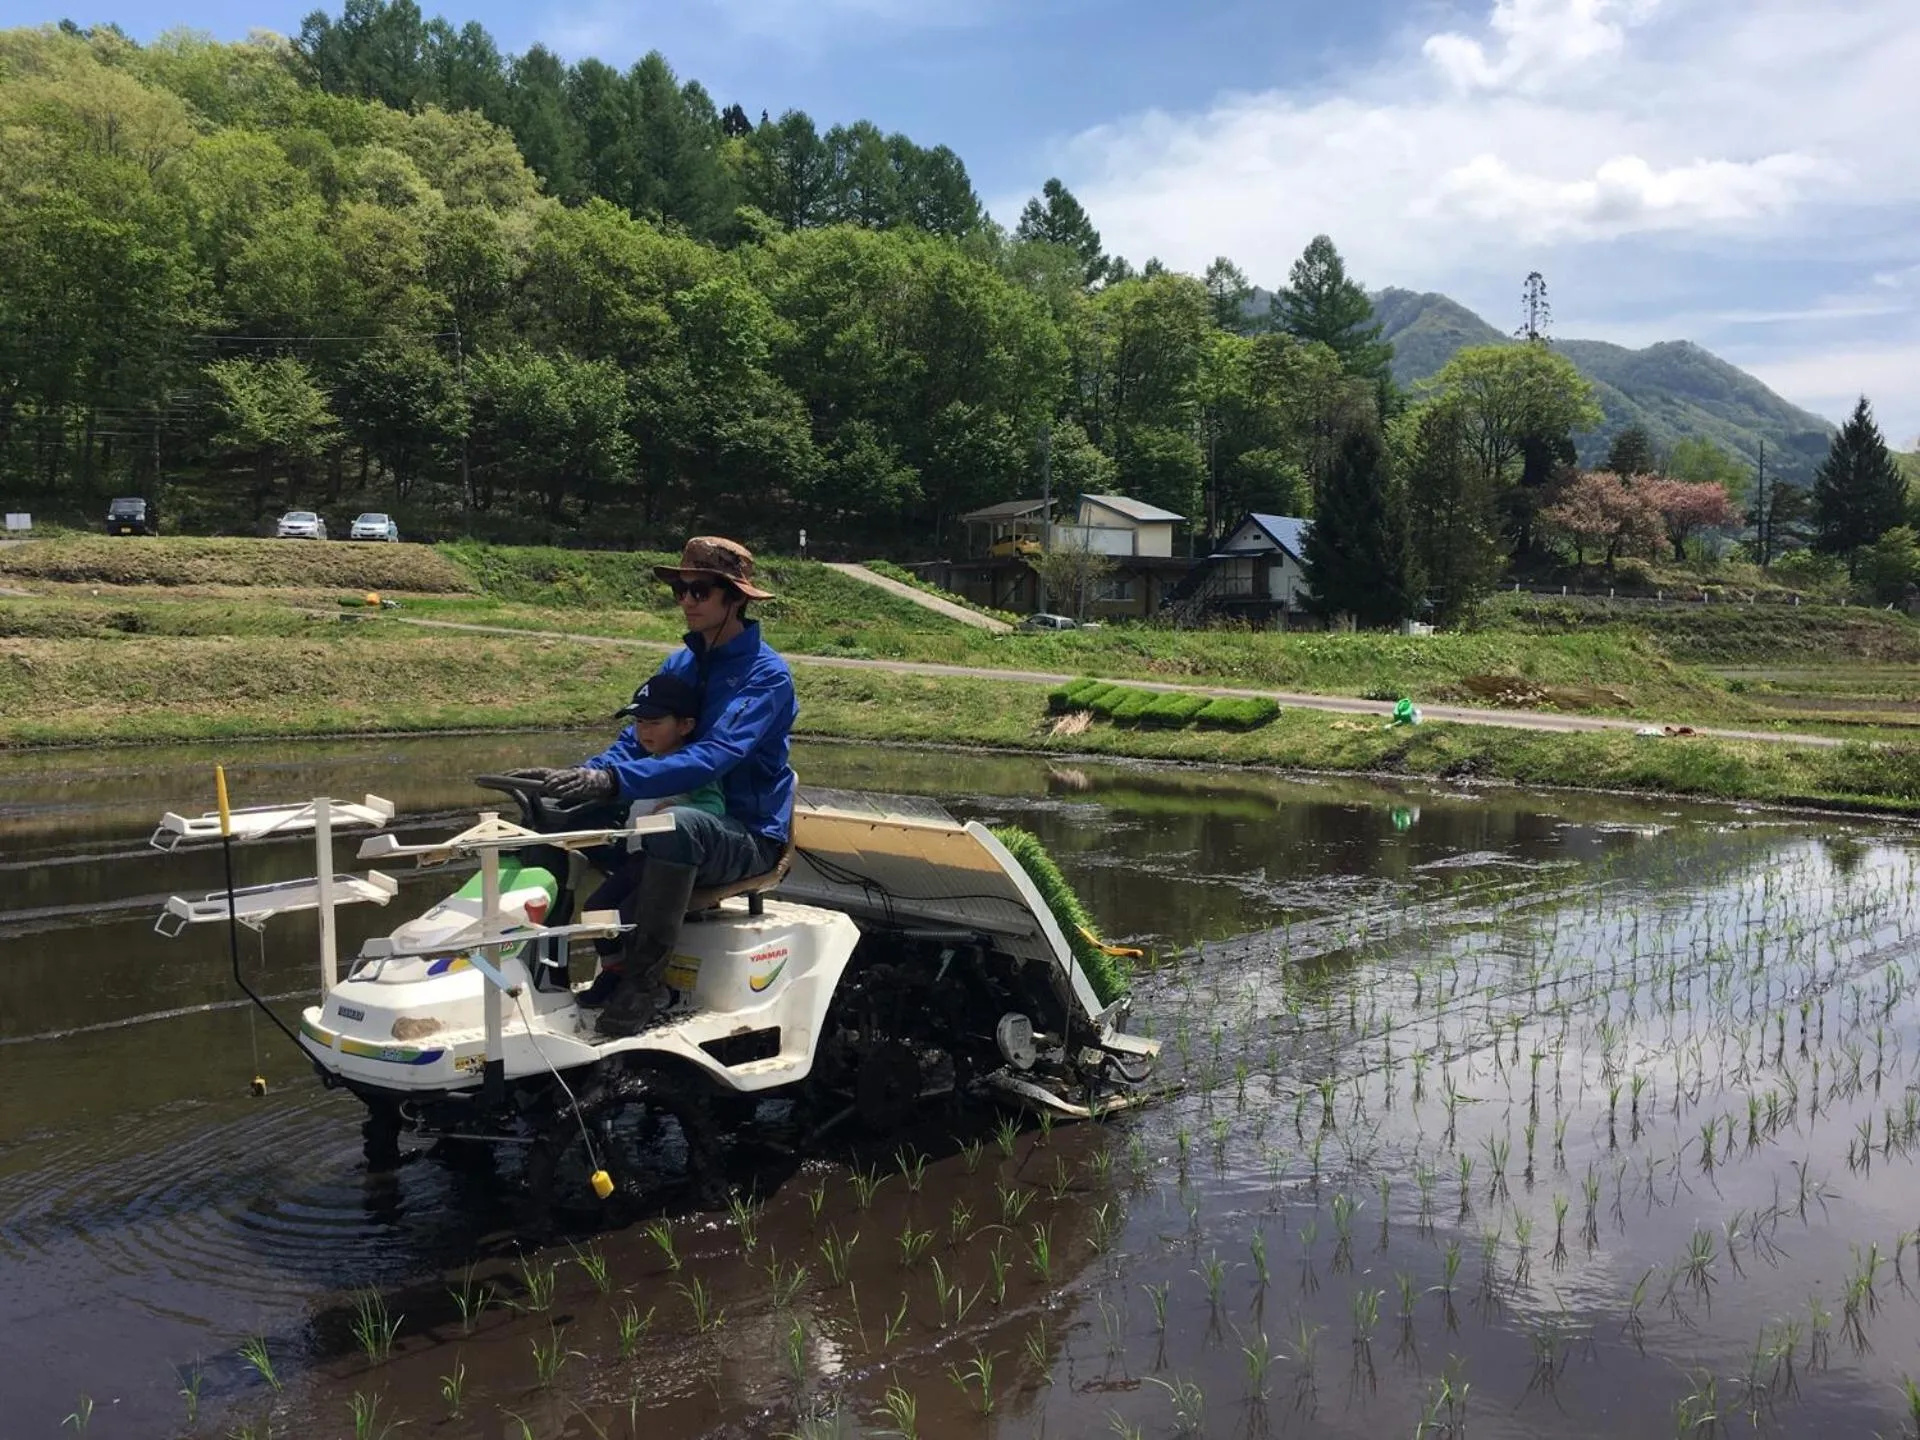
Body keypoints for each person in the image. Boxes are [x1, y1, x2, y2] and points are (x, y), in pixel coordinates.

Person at [543, 536, 797, 1036]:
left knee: (677, 825)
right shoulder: (680, 663)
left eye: (699, 591)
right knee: (549, 807)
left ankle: (643, 983)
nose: (686, 601)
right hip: (670, 814)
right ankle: (543, 966)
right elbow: (638, 738)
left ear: (736, 598)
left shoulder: (767, 677)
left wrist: (613, 781)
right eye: (680, 590)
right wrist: (578, 777)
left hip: (745, 834)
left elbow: (714, 757)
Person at [570, 670, 726, 1010]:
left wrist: (681, 804)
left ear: (685, 725)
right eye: (639, 722)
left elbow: (715, 806)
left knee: (629, 915)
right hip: (635, 857)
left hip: (665, 863)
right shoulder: (644, 763)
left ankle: (648, 983)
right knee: (596, 909)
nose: (643, 731)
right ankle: (613, 971)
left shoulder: (694, 766)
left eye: (654, 722)